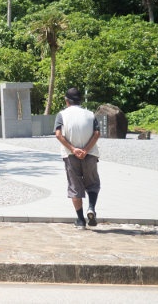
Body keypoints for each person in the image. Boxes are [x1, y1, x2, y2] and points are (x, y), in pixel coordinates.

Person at [55, 87, 101, 229]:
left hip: (70, 155)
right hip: (90, 154)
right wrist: (86, 150)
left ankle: (80, 220)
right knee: (92, 183)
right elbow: (97, 133)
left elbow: (58, 134)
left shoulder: (62, 115)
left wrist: (73, 149)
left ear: (66, 100)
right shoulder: (90, 114)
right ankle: (91, 208)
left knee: (75, 187)